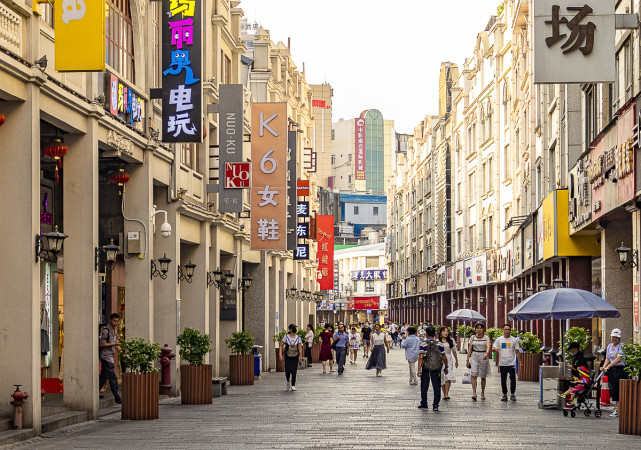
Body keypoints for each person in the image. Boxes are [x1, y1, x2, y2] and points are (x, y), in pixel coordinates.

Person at [417, 326, 448, 411]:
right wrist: (446, 366)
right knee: (436, 386)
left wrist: (419, 369)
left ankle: (424, 403)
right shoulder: (439, 344)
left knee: (424, 386)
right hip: (436, 368)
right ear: (434, 334)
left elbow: (421, 357)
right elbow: (444, 357)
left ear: (426, 334)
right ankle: (435, 405)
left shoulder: (423, 344)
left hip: (426, 367)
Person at [603, 328, 628, 417]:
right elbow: (607, 358)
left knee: (619, 389)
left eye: (616, 337)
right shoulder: (609, 346)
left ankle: (619, 409)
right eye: (613, 337)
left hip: (621, 370)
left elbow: (618, 359)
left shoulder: (621, 346)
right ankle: (617, 408)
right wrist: (605, 366)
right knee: (614, 389)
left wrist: (608, 366)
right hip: (613, 370)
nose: (614, 339)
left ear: (619, 338)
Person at [99, 313, 122, 404]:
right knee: (112, 377)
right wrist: (114, 345)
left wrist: (120, 351)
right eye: (114, 321)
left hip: (111, 356)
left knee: (103, 377)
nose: (116, 323)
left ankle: (94, 392)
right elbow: (102, 344)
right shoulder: (106, 330)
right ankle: (117, 396)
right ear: (110, 320)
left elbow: (115, 341)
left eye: (117, 321)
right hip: (106, 357)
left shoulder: (115, 330)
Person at [493, 324, 520, 401]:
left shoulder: (514, 340)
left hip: (512, 362)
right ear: (503, 330)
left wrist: (520, 362)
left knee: (513, 378)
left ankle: (512, 394)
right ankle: (504, 394)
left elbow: (517, 351)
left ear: (510, 331)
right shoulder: (499, 340)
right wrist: (495, 349)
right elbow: (493, 348)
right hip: (503, 362)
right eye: (505, 329)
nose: (507, 331)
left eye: (508, 330)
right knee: (503, 379)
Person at [466, 322, 491, 401]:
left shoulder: (486, 337)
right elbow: (470, 349)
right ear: (475, 329)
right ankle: (474, 392)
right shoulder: (472, 337)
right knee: (474, 374)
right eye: (477, 328)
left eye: (481, 328)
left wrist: (486, 353)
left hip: (483, 356)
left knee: (483, 376)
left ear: (483, 329)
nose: (479, 330)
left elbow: (488, 347)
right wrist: (467, 360)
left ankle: (482, 392)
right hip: (474, 356)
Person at [280, 324, 303, 390]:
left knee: (294, 370)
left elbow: (300, 348)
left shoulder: (298, 338)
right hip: (287, 355)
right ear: (290, 329)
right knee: (287, 370)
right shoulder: (286, 337)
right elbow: (281, 345)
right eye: (293, 328)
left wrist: (300, 357)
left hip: (295, 356)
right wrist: (280, 355)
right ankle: (288, 380)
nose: (294, 329)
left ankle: (293, 385)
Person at [440, 327, 458, 400]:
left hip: (449, 359)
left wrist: (456, 360)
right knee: (442, 376)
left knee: (448, 375)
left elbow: (454, 351)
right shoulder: (438, 341)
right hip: (440, 359)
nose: (446, 333)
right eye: (444, 331)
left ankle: (447, 393)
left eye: (447, 331)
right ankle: (444, 392)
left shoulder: (451, 341)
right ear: (441, 332)